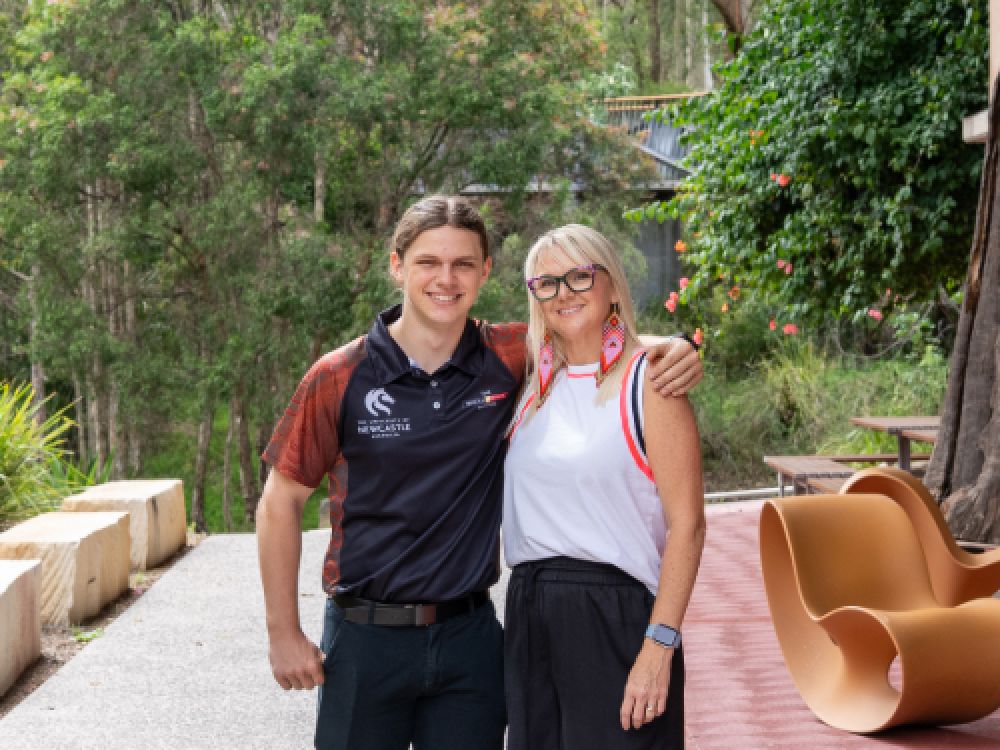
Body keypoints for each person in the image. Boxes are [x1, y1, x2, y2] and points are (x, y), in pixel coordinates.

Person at [255, 196, 703, 750]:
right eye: (428, 263)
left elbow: (596, 337)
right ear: (397, 266)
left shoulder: (512, 356)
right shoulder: (340, 376)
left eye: (463, 264)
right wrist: (282, 633)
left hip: (470, 639)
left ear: (485, 272)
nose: (446, 279)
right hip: (366, 638)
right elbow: (280, 501)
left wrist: (675, 347)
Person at [503, 224, 707, 750]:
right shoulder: (528, 380)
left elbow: (688, 525)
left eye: (579, 276)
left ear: (611, 285)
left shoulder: (651, 381)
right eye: (546, 283)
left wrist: (659, 646)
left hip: (613, 615)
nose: (562, 293)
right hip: (529, 612)